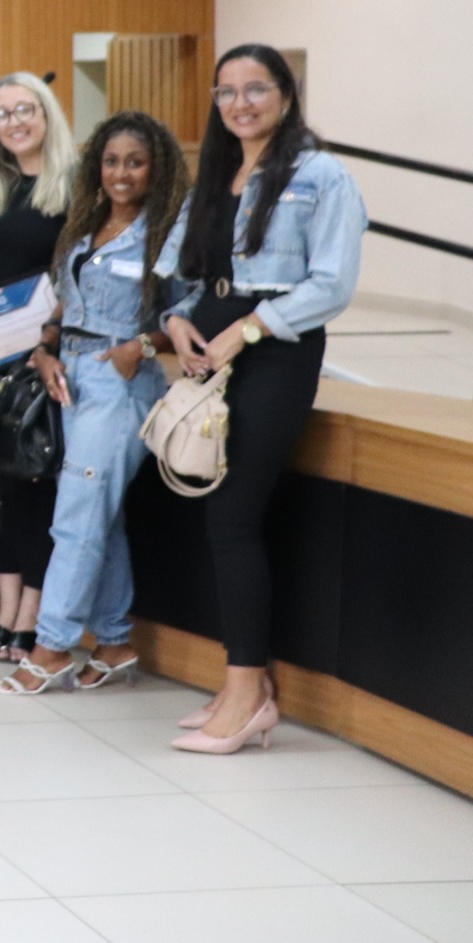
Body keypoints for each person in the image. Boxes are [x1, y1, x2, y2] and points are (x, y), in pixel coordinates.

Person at [157, 46, 363, 753]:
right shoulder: (215, 175)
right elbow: (180, 273)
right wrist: (176, 321)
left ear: (286, 94)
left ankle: (248, 695)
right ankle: (242, 682)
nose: (239, 104)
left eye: (255, 89)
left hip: (275, 354)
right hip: (210, 350)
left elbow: (331, 284)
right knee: (220, 517)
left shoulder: (322, 176)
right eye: (226, 92)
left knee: (233, 517)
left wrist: (248, 329)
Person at [1, 113, 189, 697]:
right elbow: (63, 301)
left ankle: (51, 646)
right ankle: (113, 641)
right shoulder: (86, 223)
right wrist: (45, 349)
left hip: (120, 383)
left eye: (135, 162)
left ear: (157, 168)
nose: (121, 173)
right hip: (71, 378)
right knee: (97, 515)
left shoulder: (167, 233)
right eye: (111, 161)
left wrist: (142, 347)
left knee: (76, 518)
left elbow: (192, 312)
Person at [0, 72, 77, 661]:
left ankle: (31, 613)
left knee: (35, 489)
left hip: (43, 361)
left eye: (25, 109)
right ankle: (5, 608)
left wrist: (48, 341)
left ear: (47, 114)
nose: (14, 122)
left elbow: (76, 279)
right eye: (2, 114)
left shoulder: (74, 188)